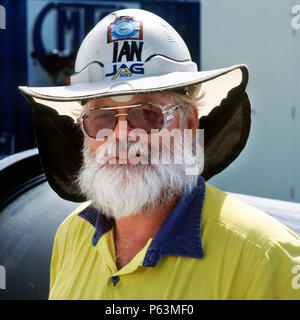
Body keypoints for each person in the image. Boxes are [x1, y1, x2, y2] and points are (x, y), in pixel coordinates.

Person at [19, 8, 300, 300]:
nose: (122, 135)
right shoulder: (70, 235)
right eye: (101, 117)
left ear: (189, 123)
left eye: (147, 114)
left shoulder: (266, 257)